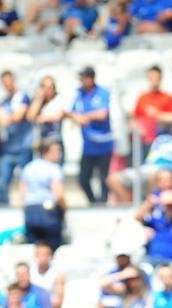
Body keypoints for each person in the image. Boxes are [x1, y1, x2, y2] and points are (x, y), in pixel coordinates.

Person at [67, 66, 114, 205]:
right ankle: (93, 202)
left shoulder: (102, 93)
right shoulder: (79, 94)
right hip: (88, 144)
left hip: (103, 144)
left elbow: (102, 114)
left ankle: (103, 203)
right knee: (83, 178)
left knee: (103, 177)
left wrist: (86, 117)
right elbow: (73, 113)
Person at [0, 70, 33, 205]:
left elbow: (18, 116)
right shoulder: (4, 101)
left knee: (26, 179)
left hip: (24, 145)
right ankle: (4, 204)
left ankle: (28, 205)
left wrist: (8, 118)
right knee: (3, 180)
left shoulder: (22, 97)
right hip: (9, 147)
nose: (7, 85)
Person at [20, 138, 66, 250]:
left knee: (34, 249)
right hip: (49, 212)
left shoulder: (28, 167)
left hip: (30, 210)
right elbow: (59, 195)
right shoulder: (54, 169)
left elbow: (22, 194)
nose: (59, 155)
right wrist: (64, 210)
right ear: (45, 152)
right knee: (52, 250)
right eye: (56, 151)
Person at [131, 64, 172, 148]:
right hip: (146, 143)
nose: (154, 80)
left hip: (163, 140)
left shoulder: (168, 98)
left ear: (160, 78)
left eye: (156, 77)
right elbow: (134, 119)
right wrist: (139, 129)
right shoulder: (142, 98)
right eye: (152, 77)